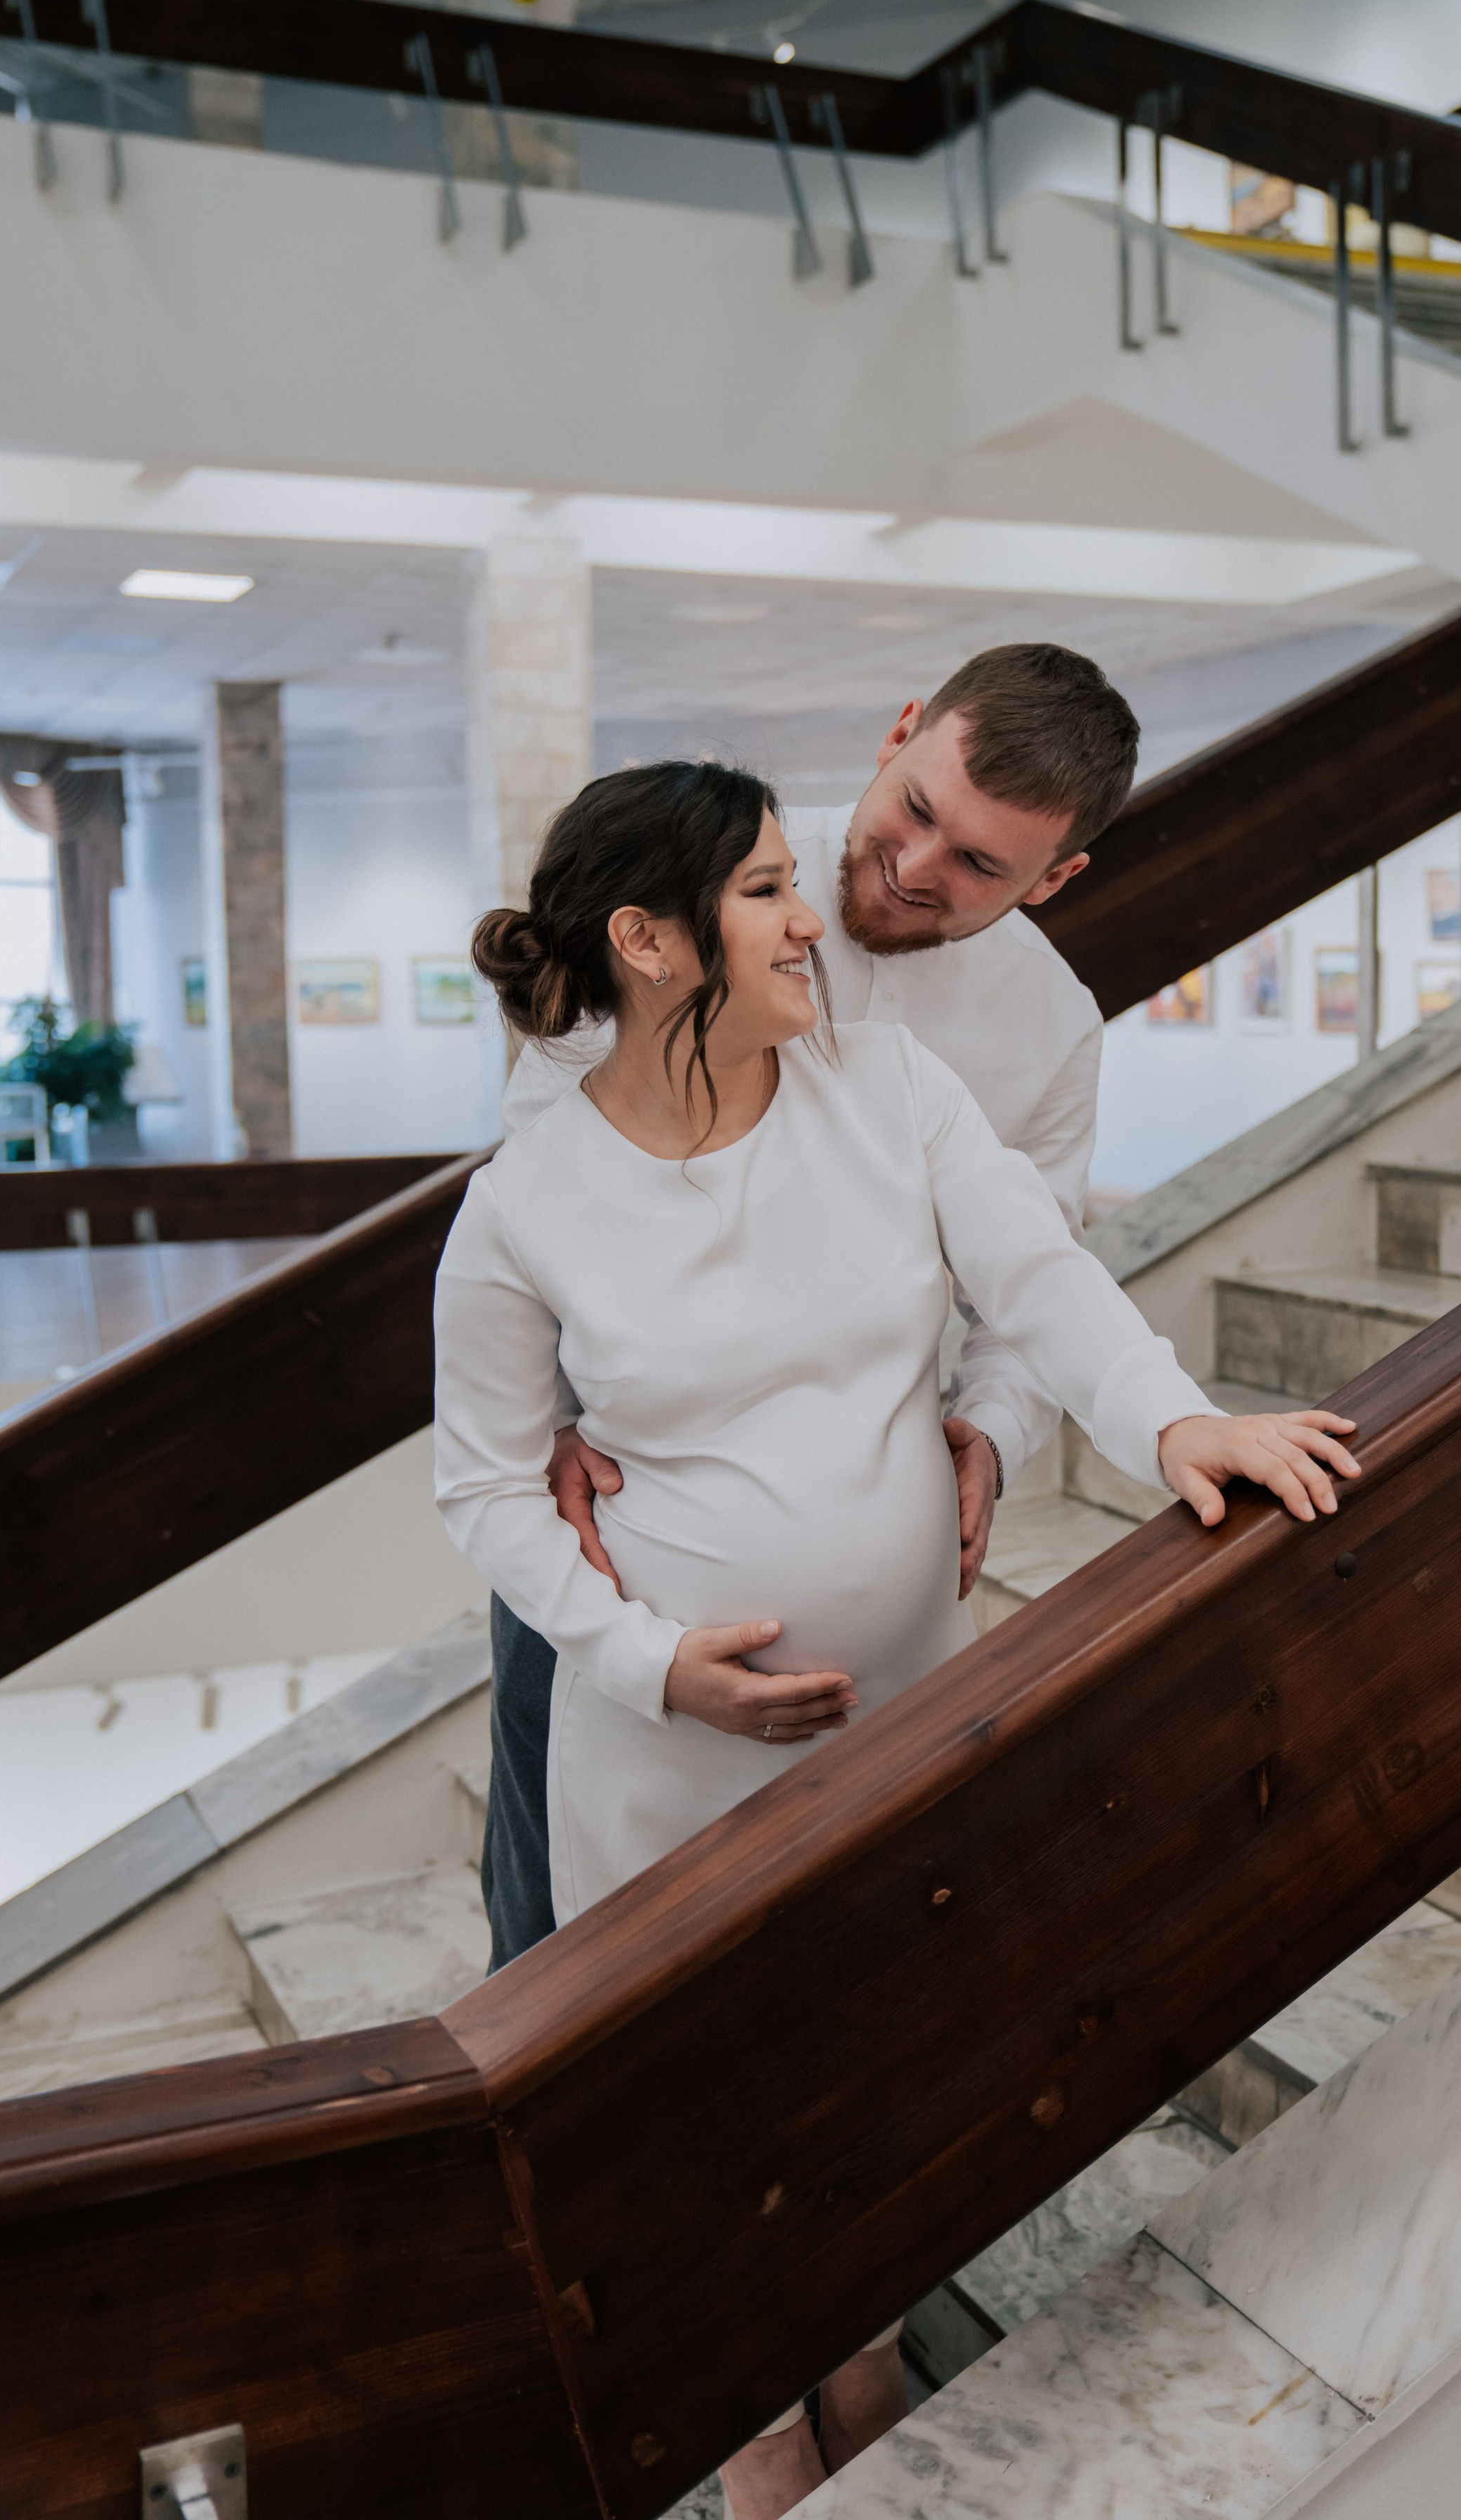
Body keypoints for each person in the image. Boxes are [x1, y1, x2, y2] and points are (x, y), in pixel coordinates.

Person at [434, 758, 1360, 2520]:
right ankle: (747, 2425)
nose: (813, 924)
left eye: (796, 879)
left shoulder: (889, 1086)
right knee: (691, 2105)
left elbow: (1041, 1279)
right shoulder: (523, 1203)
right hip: (660, 1756)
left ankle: (856, 2347)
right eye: (766, 893)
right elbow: (484, 1486)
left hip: (906, 1711)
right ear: (647, 942)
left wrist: (1174, 1422)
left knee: (870, 2058)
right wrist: (646, 1663)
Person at [478, 643, 1140, 1975]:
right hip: (615, 1532)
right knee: (553, 1930)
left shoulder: (1053, 1029)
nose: (914, 869)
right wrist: (538, 1427)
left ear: (1055, 880)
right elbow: (544, 1169)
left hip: (882, 1587)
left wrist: (994, 1435)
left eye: (979, 866)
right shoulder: (686, 884)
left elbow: (1030, 1287)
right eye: (914, 810)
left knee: (853, 1933)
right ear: (898, 732)